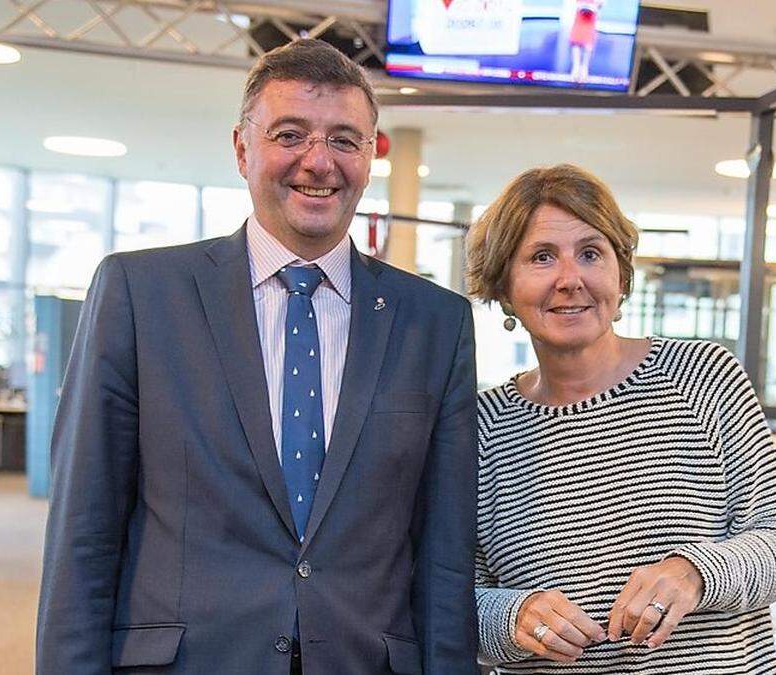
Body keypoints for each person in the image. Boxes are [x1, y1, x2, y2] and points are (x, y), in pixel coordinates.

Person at [35, 39, 479, 675]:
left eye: (345, 140)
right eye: (290, 134)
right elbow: (83, 530)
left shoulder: (435, 322)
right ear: (242, 149)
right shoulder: (141, 295)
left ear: (369, 158)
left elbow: (443, 553)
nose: (318, 161)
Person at [465, 164, 776, 673]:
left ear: (620, 275)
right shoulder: (480, 427)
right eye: (540, 257)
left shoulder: (702, 377)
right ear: (504, 285)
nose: (569, 279)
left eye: (590, 253)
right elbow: (451, 599)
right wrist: (510, 615)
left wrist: (695, 571)